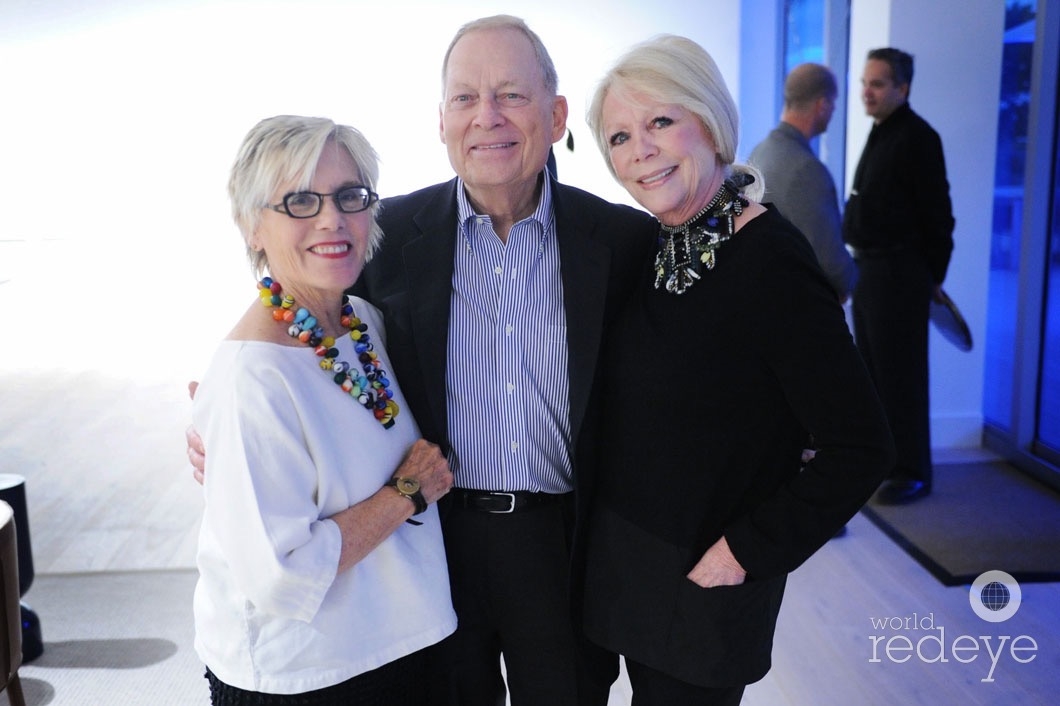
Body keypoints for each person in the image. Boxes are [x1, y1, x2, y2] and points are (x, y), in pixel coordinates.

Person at [188, 16, 656, 706]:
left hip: (560, 547)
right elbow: (292, 309)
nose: (486, 118)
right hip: (430, 548)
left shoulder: (622, 242)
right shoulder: (386, 237)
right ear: (440, 122)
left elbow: (682, 368)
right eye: (465, 98)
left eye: (511, 96)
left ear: (556, 115)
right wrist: (219, 424)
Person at [582, 35, 895, 704]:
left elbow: (861, 447)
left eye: (661, 121)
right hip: (634, 579)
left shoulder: (768, 261)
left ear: (711, 120)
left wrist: (743, 555)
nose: (640, 149)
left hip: (701, 601)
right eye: (619, 137)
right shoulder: (665, 249)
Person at [192, 115, 456, 705]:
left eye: (349, 196)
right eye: (300, 201)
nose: (332, 218)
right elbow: (282, 572)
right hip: (309, 677)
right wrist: (408, 492)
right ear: (251, 225)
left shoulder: (363, 322)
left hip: (398, 647)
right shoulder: (251, 377)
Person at [843, 48, 955, 505]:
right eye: (865, 83)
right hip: (870, 270)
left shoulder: (918, 138)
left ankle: (912, 471)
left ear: (902, 89)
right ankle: (886, 465)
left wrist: (932, 277)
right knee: (873, 374)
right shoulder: (881, 131)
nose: (866, 92)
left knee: (901, 376)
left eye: (877, 84)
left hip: (900, 272)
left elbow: (939, 217)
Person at [749, 62, 858, 302]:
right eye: (833, 103)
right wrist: (855, 279)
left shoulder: (760, 152)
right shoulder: (806, 170)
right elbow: (831, 261)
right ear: (822, 105)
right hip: (793, 302)